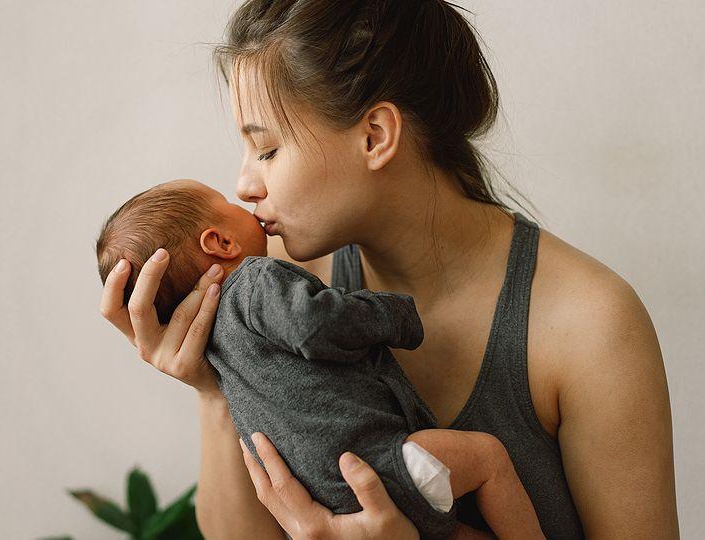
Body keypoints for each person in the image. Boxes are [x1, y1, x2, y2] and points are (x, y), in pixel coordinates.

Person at [99, 1, 679, 538]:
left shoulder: (591, 325)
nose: (245, 186)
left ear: (375, 136)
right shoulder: (276, 286)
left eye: (268, 149)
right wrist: (214, 389)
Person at [95, 178, 545, 539]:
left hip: (332, 504)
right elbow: (315, 324)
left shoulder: (217, 349)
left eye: (268, 152)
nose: (244, 186)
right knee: (487, 458)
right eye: (224, 199)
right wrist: (394, 316)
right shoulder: (255, 279)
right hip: (384, 466)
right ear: (220, 242)